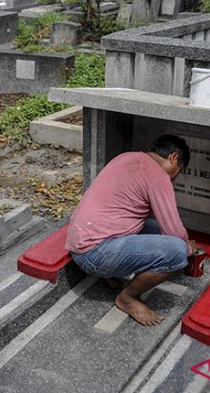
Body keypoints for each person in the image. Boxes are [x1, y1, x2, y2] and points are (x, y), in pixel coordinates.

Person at [66, 134, 200, 326]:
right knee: (177, 251)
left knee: (155, 230)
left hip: (79, 241)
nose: (176, 176)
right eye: (180, 169)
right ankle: (128, 298)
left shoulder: (126, 157)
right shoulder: (158, 176)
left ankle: (110, 274)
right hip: (94, 254)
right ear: (173, 157)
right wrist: (189, 248)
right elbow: (174, 231)